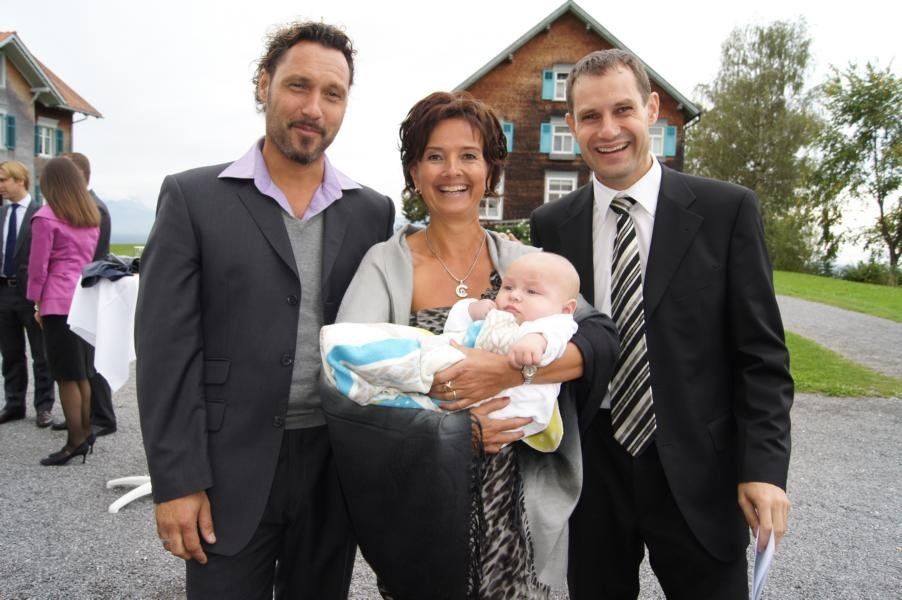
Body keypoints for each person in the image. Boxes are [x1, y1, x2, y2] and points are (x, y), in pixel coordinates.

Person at [135, 21, 394, 599]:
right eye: (298, 85)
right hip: (228, 467)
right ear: (263, 84)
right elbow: (164, 352)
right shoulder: (193, 198)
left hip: (333, 468)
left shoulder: (371, 211)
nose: (314, 108)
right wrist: (176, 481)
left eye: (333, 94)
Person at [328, 91, 618, 598]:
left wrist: (511, 372)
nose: (452, 171)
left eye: (469, 155)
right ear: (414, 172)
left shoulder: (525, 262)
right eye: (434, 156)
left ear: (490, 171)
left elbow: (599, 339)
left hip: (519, 508)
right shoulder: (385, 264)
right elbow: (343, 376)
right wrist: (454, 430)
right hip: (425, 502)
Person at [530, 49, 793, 599]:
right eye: (590, 116)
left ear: (652, 109)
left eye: (622, 110)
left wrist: (764, 468)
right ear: (572, 124)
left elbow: (762, 357)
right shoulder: (552, 225)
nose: (608, 130)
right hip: (593, 468)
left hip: (699, 468)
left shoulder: (726, 211)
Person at [321, 251, 581, 451]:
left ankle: (370, 362)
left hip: (508, 409)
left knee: (426, 362)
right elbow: (456, 328)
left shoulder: (552, 324)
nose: (514, 296)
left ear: (566, 309)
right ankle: (368, 368)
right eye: (508, 287)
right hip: (451, 405)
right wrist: (473, 309)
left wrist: (534, 343)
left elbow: (561, 336)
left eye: (531, 291)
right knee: (430, 361)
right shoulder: (386, 260)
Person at [26, 157, 101, 465]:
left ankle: (75, 441)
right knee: (80, 372)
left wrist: (36, 303)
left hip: (57, 301)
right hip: (83, 298)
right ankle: (84, 433)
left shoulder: (46, 217)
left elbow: (37, 268)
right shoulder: (88, 215)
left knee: (65, 375)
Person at [59, 152, 116, 437]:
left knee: (93, 357)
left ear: (80, 175)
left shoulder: (96, 209)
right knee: (80, 359)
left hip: (89, 291)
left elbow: (94, 258)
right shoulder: (83, 206)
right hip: (77, 292)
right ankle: (83, 414)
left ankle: (103, 417)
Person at [0, 160, 54, 427]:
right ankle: (14, 404)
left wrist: (41, 298)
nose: (0, 185)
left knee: (41, 354)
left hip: (30, 295)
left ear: (20, 180)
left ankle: (44, 407)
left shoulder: (40, 214)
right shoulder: (2, 213)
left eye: (3, 180)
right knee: (10, 353)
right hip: (3, 292)